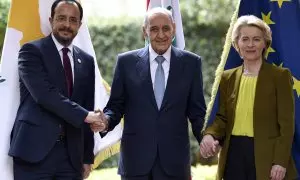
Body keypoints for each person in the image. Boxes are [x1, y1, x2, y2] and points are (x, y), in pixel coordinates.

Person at [91, 7, 206, 180]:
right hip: (135, 162)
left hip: (174, 163)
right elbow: (115, 106)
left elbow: (197, 112)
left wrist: (206, 138)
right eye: (154, 29)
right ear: (144, 31)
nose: (161, 35)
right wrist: (105, 121)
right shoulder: (126, 62)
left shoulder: (191, 63)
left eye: (166, 28)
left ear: (174, 29)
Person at [9, 0, 104, 179]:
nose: (67, 25)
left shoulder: (87, 61)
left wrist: (86, 157)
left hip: (71, 158)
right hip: (33, 152)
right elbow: (44, 95)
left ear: (79, 25)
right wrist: (86, 115)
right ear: (51, 20)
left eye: (73, 20)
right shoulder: (31, 51)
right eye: (61, 18)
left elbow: (86, 106)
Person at [200, 15, 297, 180]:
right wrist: (210, 135)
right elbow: (222, 118)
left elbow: (287, 125)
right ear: (237, 43)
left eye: (256, 39)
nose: (250, 44)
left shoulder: (280, 76)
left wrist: (280, 161)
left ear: (265, 43)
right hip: (233, 155)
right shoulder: (227, 77)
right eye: (245, 39)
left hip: (267, 157)